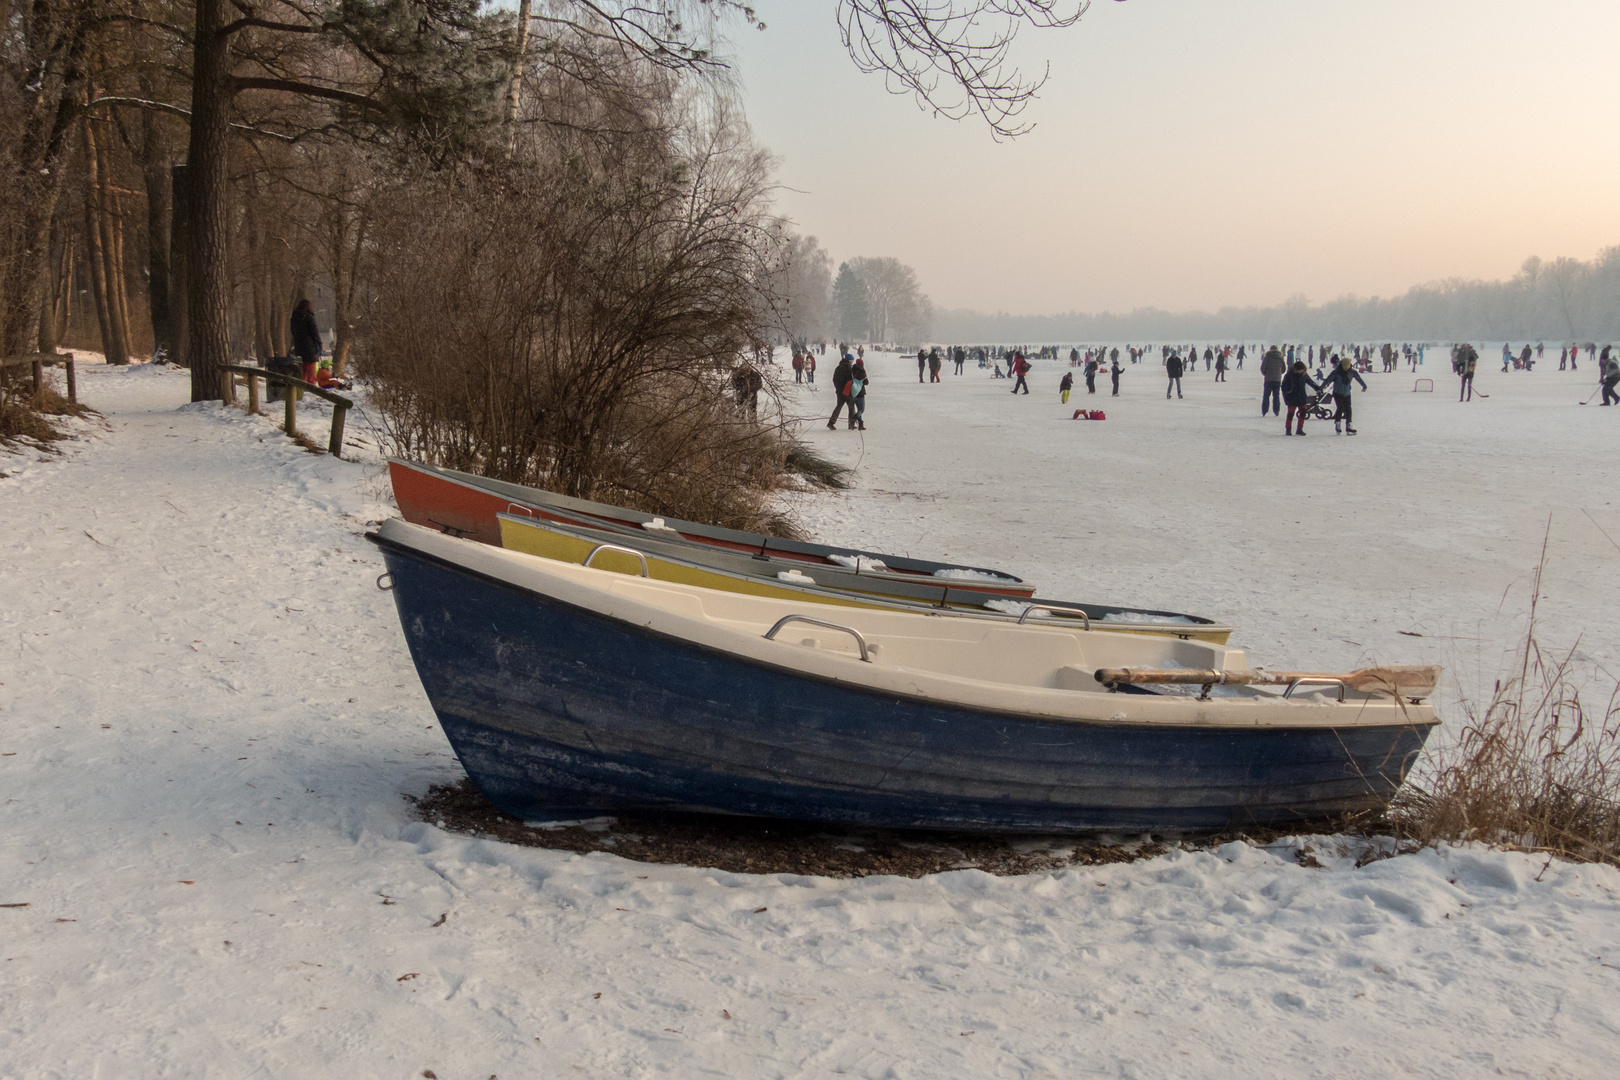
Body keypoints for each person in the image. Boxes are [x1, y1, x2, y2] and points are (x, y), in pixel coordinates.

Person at [1321, 355, 1368, 434]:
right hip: (1337, 393)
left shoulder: (1352, 372)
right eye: (1344, 366)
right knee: (1340, 407)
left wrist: (1364, 386)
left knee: (1348, 409)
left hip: (1346, 393)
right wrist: (1321, 388)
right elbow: (1327, 380)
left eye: (1347, 366)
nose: (1345, 368)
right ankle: (1338, 423)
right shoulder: (1336, 372)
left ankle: (1349, 425)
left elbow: (1359, 379)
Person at [1281, 360, 1321, 436]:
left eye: (1302, 370)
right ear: (1296, 369)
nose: (1301, 371)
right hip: (1292, 397)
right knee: (1290, 414)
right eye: (1300, 370)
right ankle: (1288, 429)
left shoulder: (1304, 375)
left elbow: (1310, 382)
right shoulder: (1289, 375)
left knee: (1303, 413)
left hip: (1302, 396)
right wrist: (1287, 395)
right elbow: (1284, 386)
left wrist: (1318, 388)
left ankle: (1300, 429)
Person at [290, 298, 322, 383]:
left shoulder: (294, 317)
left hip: (299, 345)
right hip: (310, 346)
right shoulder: (309, 317)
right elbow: (315, 332)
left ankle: (302, 382)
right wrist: (320, 343)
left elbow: (293, 331)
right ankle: (311, 384)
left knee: (303, 365)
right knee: (311, 365)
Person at [828, 354, 856, 428]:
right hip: (847, 392)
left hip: (839, 392)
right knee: (851, 407)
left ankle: (831, 422)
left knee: (839, 406)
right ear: (848, 361)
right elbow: (850, 380)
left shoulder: (838, 367)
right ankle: (851, 424)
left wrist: (838, 388)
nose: (852, 363)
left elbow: (834, 379)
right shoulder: (849, 369)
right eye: (851, 361)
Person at [850, 355, 869, 429]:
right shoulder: (862, 370)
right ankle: (854, 419)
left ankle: (860, 425)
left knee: (858, 409)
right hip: (860, 392)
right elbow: (866, 382)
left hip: (853, 392)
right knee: (861, 409)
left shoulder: (852, 369)